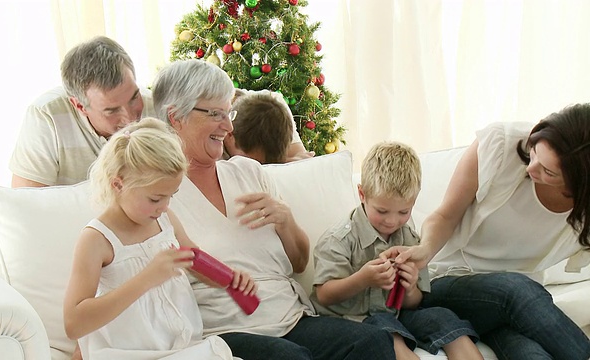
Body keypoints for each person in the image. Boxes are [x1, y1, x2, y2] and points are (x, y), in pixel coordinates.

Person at [151, 58, 396, 360]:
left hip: (293, 317)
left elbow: (300, 262)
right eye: (215, 114)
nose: (228, 127)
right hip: (229, 331)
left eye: (229, 113)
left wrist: (285, 220)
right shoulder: (159, 197)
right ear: (176, 118)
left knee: (372, 342)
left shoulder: (248, 172)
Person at [382, 105, 590, 359]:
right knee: (516, 289)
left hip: (510, 309)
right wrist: (424, 251)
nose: (530, 168)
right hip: (452, 281)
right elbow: (445, 215)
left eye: (548, 172)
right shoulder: (501, 145)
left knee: (532, 355)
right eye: (534, 153)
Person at [62, 117, 256, 359]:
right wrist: (146, 279)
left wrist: (230, 279)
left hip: (183, 347)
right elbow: (74, 324)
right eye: (155, 199)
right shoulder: (98, 240)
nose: (164, 207)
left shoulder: (164, 220)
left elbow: (196, 262)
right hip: (130, 353)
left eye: (170, 196)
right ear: (118, 184)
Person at [311, 141, 482, 360]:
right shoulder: (340, 239)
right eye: (382, 211)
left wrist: (410, 288)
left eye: (403, 212)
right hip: (353, 320)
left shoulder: (409, 237)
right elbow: (324, 295)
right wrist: (363, 279)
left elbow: (414, 302)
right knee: (386, 328)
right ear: (362, 195)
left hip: (398, 315)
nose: (392, 221)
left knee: (443, 317)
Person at [9, 35, 155, 188]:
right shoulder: (46, 116)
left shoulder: (155, 106)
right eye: (111, 111)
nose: (130, 118)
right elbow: (27, 199)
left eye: (134, 98)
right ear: (79, 106)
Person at [228, 89, 314, 162]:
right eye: (252, 164)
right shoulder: (217, 128)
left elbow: (301, 159)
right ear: (229, 134)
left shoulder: (275, 105)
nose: (256, 169)